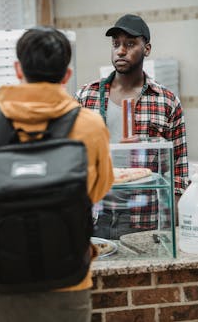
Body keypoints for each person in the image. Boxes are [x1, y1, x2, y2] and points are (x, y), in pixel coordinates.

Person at [0, 27, 114, 322]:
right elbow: (97, 190)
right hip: (69, 278)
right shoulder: (90, 125)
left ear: (18, 68)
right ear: (66, 75)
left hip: (4, 280)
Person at [75, 14, 189, 239]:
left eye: (130, 44)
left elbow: (178, 167)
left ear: (146, 49)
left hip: (143, 216)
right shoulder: (86, 96)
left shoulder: (165, 101)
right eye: (116, 44)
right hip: (97, 212)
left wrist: (173, 226)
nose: (120, 50)